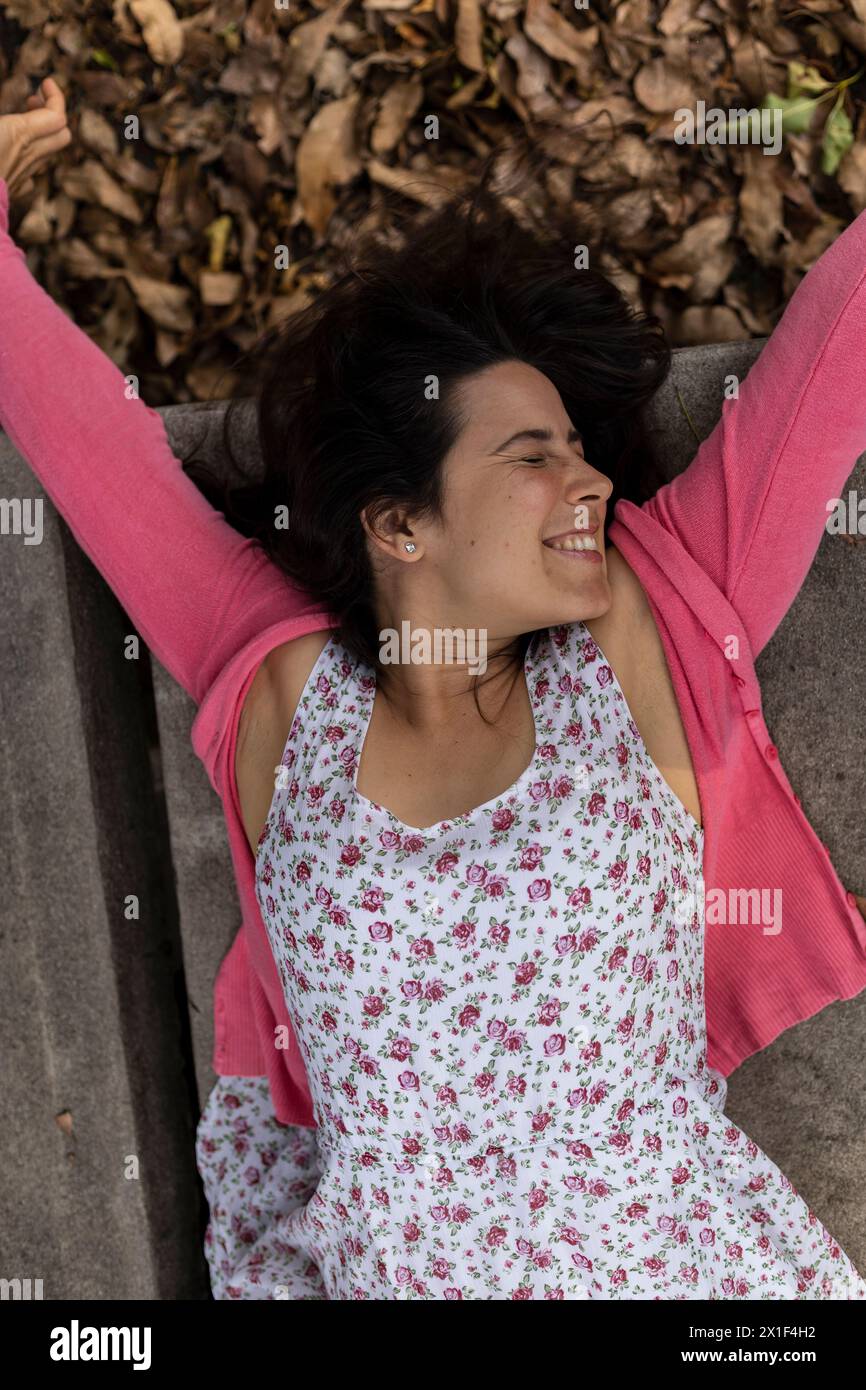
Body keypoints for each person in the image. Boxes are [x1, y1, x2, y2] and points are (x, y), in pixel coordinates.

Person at [2, 77, 866, 1301]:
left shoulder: (643, 628)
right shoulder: (282, 693)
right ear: (400, 525)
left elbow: (831, 366)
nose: (589, 485)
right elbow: (94, 456)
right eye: (532, 454)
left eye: (578, 448)